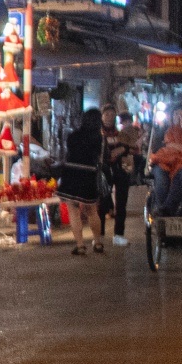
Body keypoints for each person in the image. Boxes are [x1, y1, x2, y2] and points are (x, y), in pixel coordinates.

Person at [59, 109, 107, 255]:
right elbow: (100, 158)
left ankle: (80, 245)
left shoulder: (73, 136)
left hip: (71, 173)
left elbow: (67, 153)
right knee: (92, 211)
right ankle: (97, 242)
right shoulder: (98, 138)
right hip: (88, 174)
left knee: (73, 211)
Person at [103, 111, 145, 245]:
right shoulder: (99, 134)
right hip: (104, 170)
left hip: (122, 169)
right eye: (107, 115)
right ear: (102, 117)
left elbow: (135, 149)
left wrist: (123, 149)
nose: (109, 118)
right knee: (103, 202)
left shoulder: (122, 134)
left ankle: (118, 235)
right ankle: (99, 235)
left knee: (121, 203)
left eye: (112, 115)